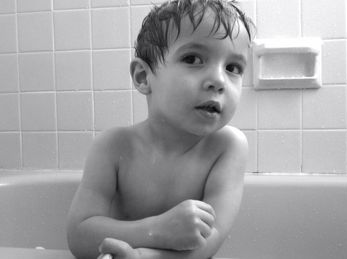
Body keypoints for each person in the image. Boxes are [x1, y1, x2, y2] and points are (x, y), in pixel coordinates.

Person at [67, 0, 254, 258]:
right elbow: (79, 234)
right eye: (193, 59)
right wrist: (156, 229)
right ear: (144, 77)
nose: (219, 81)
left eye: (233, 68)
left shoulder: (227, 147)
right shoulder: (113, 146)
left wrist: (144, 256)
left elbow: (211, 239)